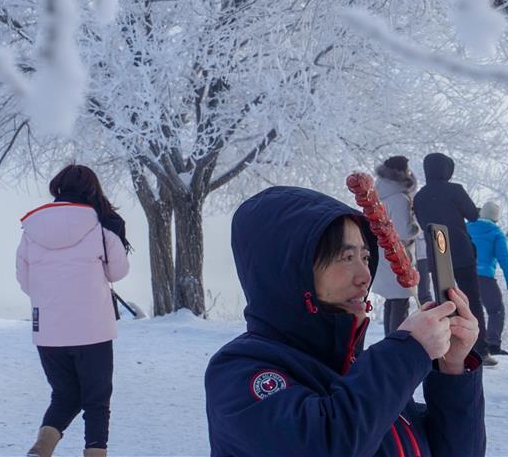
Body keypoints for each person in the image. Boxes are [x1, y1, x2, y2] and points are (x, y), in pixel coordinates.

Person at [205, 186, 486, 456]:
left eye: (365, 256)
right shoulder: (238, 372)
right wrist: (407, 352)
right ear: (290, 270)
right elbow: (325, 445)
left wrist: (452, 369)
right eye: (346, 257)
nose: (365, 275)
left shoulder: (363, 374)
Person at [17, 165, 131, 457]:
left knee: (65, 395)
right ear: (92, 190)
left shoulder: (31, 228)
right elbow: (118, 272)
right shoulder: (102, 226)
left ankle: (41, 449)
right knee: (96, 401)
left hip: (49, 333)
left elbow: (25, 280)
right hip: (93, 330)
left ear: (57, 187)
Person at [413, 153, 493, 365]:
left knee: (443, 302)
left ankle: (444, 348)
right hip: (461, 251)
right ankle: (480, 349)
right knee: (471, 300)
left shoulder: (419, 197)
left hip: (438, 254)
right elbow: (473, 215)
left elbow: (422, 224)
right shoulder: (455, 190)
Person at [373, 156, 422, 335]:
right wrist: (417, 226)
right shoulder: (400, 198)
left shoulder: (379, 192)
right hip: (397, 254)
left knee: (391, 301)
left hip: (382, 250)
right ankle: (396, 344)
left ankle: (388, 342)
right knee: (400, 302)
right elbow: (404, 231)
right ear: (402, 172)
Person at [467, 200, 508, 356]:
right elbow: (504, 259)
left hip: (465, 276)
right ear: (495, 218)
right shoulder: (496, 233)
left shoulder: (467, 228)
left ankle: (471, 343)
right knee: (496, 310)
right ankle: (493, 344)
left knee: (470, 310)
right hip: (485, 278)